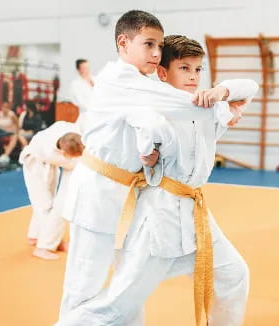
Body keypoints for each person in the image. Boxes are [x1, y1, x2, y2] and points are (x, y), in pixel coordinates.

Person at [58, 34, 257, 326]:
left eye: (198, 69)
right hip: (158, 220)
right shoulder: (153, 107)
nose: (193, 77)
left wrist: (222, 91)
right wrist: (148, 153)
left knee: (234, 275)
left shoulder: (207, 103)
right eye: (184, 69)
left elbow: (250, 88)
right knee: (119, 305)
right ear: (163, 72)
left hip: (196, 215)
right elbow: (144, 138)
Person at [19, 121, 83, 260]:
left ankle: (34, 236)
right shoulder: (49, 152)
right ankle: (44, 246)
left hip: (48, 164)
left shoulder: (70, 129)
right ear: (65, 153)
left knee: (50, 200)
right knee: (44, 204)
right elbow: (76, 163)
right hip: (34, 164)